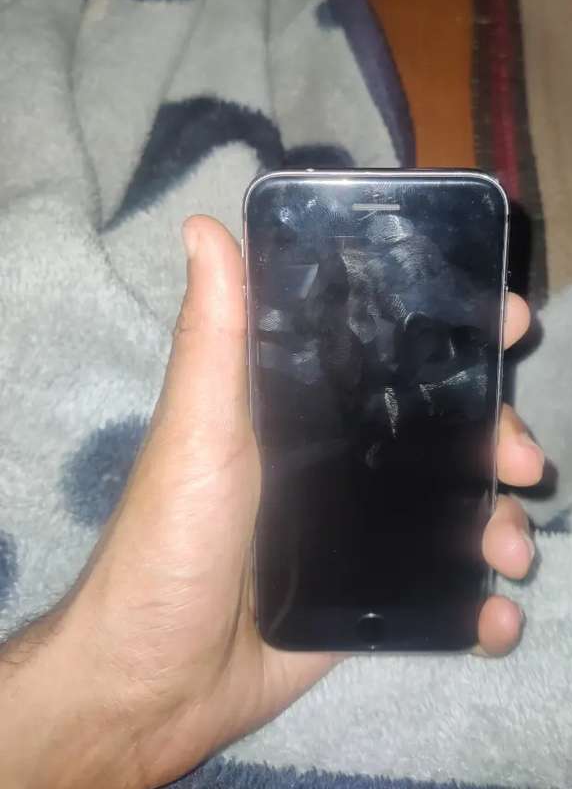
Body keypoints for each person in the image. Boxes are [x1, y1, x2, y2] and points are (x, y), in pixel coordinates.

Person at [0, 216, 544, 789]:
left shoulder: (413, 386)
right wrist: (114, 702)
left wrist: (113, 710)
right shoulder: (315, 392)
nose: (379, 336)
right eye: (363, 315)